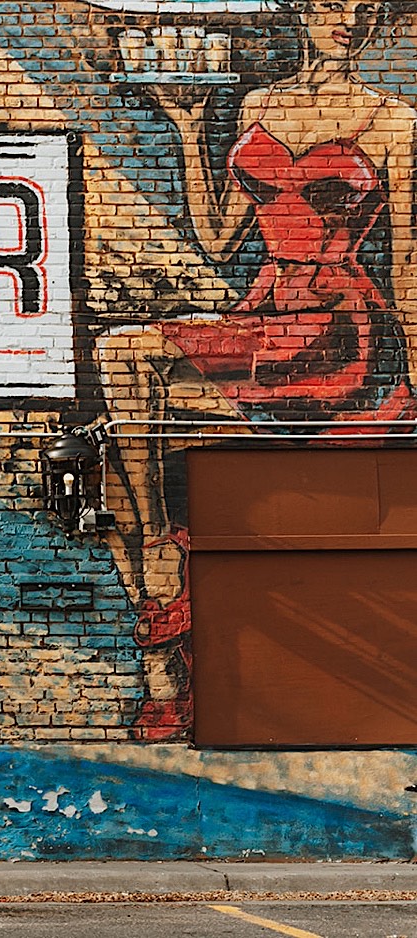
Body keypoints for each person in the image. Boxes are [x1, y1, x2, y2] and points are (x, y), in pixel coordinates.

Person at [95, 0, 417, 737]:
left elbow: (404, 260)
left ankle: (157, 566)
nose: (351, 21)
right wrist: (186, 128)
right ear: (302, 10)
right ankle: (161, 590)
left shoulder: (393, 119)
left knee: (128, 366)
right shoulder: (255, 102)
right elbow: (215, 234)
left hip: (338, 324)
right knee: (120, 389)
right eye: (335, 4)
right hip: (264, 309)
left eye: (366, 9)